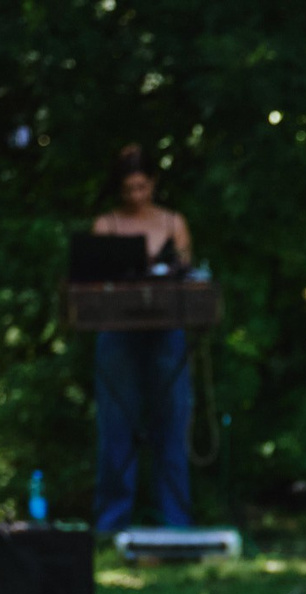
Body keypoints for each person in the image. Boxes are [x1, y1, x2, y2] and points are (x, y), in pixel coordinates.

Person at [90, 145, 195, 533]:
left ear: (153, 183)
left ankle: (176, 522)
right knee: (117, 426)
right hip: (118, 332)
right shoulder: (107, 225)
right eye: (128, 189)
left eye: (142, 187)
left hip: (166, 329)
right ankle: (111, 523)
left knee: (173, 423)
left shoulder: (173, 223)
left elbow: (186, 273)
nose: (136, 195)